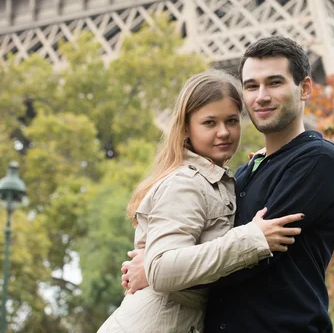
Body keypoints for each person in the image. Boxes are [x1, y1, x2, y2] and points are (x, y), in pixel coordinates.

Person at [122, 36, 334, 332]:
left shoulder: (317, 159)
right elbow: (223, 246)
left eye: (275, 83)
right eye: (252, 86)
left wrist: (157, 270)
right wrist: (161, 265)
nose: (261, 96)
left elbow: (257, 256)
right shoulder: (240, 175)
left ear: (304, 88)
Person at [98, 70, 304, 333]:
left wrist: (265, 164)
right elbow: (162, 269)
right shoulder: (185, 183)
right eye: (209, 123)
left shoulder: (216, 182)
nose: (224, 132)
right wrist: (251, 239)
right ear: (186, 128)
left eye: (231, 121)